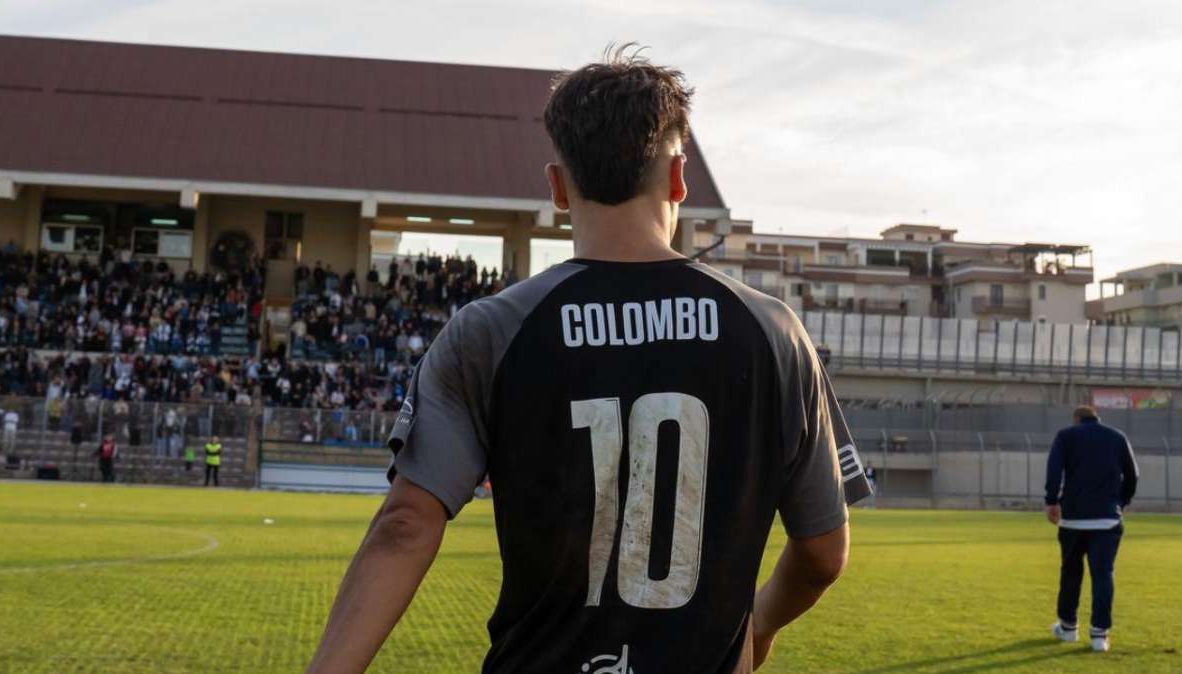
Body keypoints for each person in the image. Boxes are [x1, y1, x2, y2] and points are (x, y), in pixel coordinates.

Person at [308, 46, 870, 674]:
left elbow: (407, 525)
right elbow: (822, 552)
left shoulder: (491, 331)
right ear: (679, 177)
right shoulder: (772, 331)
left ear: (557, 187)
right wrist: (758, 625)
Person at [1045, 405, 1139, 653]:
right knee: (1103, 574)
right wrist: (1121, 502)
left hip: (1073, 519)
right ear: (1096, 418)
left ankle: (1068, 628)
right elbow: (1132, 475)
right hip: (1107, 520)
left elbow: (1054, 469)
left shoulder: (1066, 436)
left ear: (1076, 419)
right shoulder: (1117, 436)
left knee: (1071, 573)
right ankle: (1099, 635)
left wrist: (1051, 501)